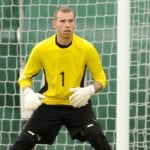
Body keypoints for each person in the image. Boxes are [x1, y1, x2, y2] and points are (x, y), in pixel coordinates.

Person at [10, 5, 111, 150]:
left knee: (97, 137)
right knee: (24, 142)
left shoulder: (86, 48)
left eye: (70, 21)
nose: (67, 25)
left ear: (75, 23)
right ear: (54, 24)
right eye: (62, 21)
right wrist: (28, 92)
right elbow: (25, 76)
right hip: (49, 104)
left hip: (77, 105)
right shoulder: (42, 49)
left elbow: (101, 79)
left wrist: (89, 90)